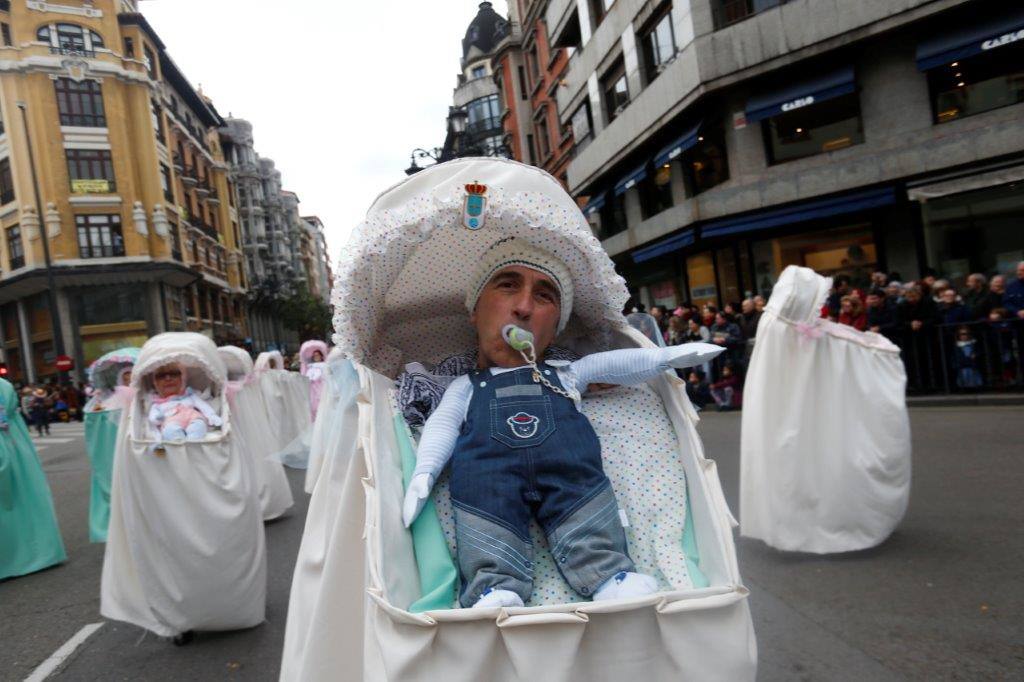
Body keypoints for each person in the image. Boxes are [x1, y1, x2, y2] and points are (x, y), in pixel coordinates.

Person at [401, 237, 723, 609]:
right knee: (486, 521)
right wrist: (424, 473)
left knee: (587, 510)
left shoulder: (567, 374)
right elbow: (441, 426)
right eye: (507, 285)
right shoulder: (464, 388)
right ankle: (494, 585)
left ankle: (608, 572)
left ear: (554, 331)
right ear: (474, 310)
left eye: (544, 297)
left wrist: (666, 357)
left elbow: (614, 365)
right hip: (490, 481)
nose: (523, 308)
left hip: (571, 475)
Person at [0, 377, 67, 580]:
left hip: (8, 441)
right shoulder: (5, 385)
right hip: (14, 442)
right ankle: (39, 550)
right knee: (27, 498)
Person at [146, 362, 223, 442]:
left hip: (194, 418)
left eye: (174, 374)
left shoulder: (190, 396)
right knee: (170, 431)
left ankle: (193, 444)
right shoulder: (158, 404)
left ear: (182, 378)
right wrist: (158, 418)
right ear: (156, 384)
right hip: (171, 422)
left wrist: (212, 416)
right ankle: (178, 447)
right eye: (161, 376)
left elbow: (203, 406)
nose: (168, 378)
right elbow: (153, 418)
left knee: (198, 426)